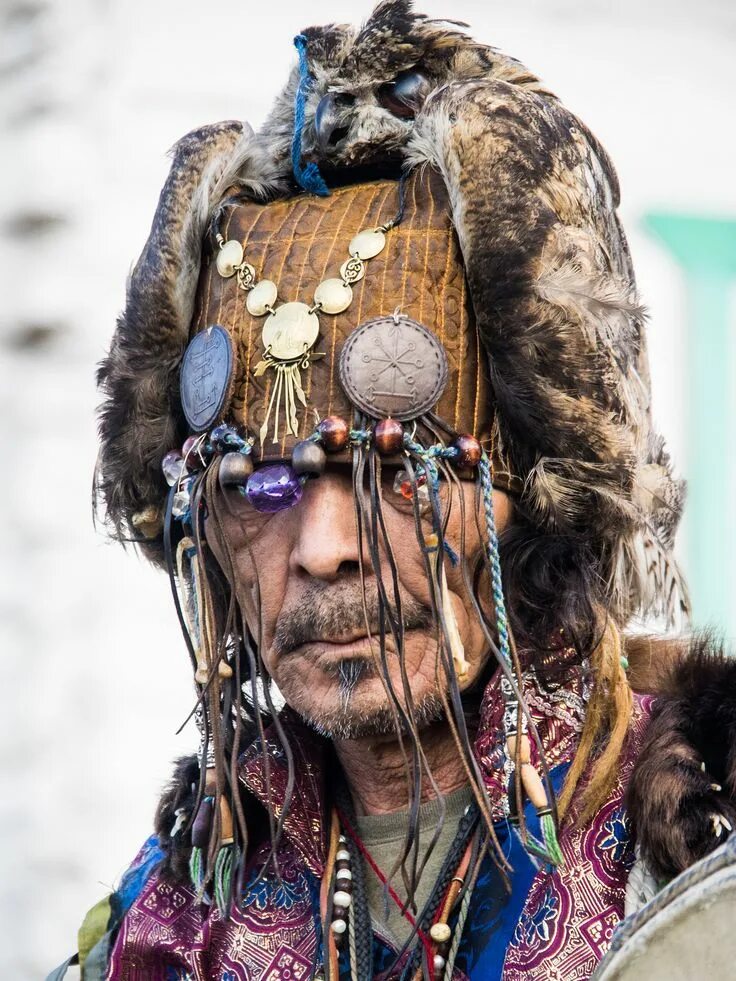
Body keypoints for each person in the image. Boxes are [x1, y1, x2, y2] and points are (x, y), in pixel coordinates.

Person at [55, 3, 736, 979]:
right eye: (260, 486)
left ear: (527, 505)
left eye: (397, 472)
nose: (322, 545)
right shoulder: (181, 903)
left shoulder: (696, 832)